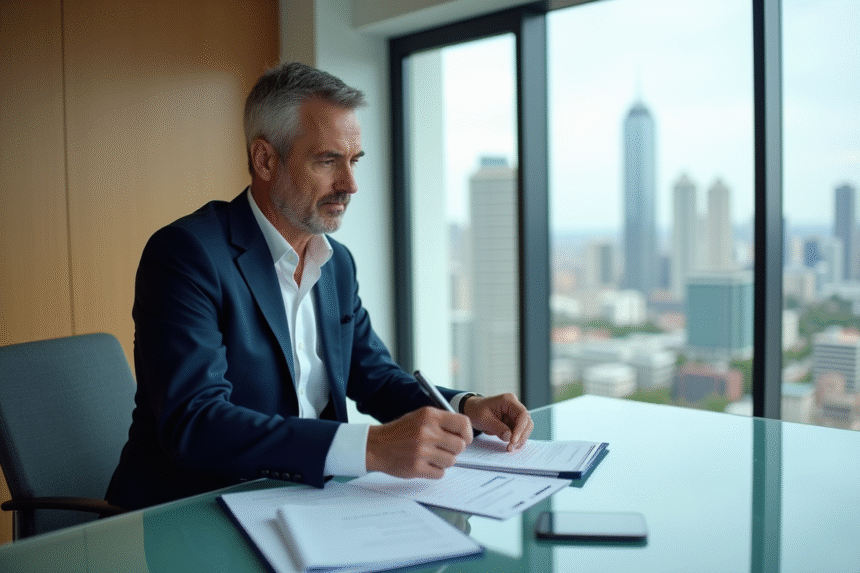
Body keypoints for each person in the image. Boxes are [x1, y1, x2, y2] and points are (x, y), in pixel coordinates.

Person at [106, 62, 534, 510]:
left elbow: (376, 380)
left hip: (307, 504)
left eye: (353, 161)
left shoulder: (337, 264)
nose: (349, 185)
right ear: (265, 159)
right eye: (327, 161)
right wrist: (369, 448)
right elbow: (196, 423)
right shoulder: (187, 254)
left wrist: (466, 406)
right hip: (192, 513)